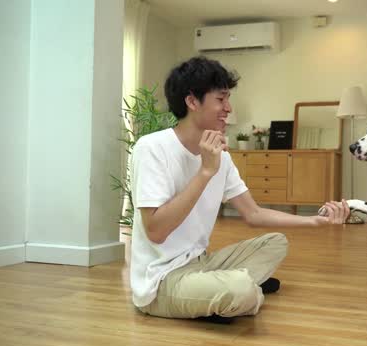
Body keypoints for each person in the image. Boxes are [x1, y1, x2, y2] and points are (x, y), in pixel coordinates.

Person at [129, 56, 349, 321]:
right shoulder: (152, 148)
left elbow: (253, 214)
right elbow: (156, 231)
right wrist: (205, 172)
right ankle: (236, 291)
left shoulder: (221, 156)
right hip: (161, 281)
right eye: (220, 100)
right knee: (241, 290)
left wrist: (313, 221)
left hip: (200, 264)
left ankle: (220, 291)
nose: (228, 108)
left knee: (275, 242)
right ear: (192, 101)